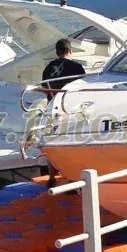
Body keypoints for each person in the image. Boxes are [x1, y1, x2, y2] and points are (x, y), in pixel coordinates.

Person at [39, 39, 87, 186]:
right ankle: (71, 178)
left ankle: (52, 177)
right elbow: (82, 88)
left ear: (57, 52)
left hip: (51, 109)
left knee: (51, 142)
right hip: (68, 109)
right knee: (70, 144)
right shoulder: (76, 67)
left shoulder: (49, 67)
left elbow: (44, 86)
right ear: (70, 51)